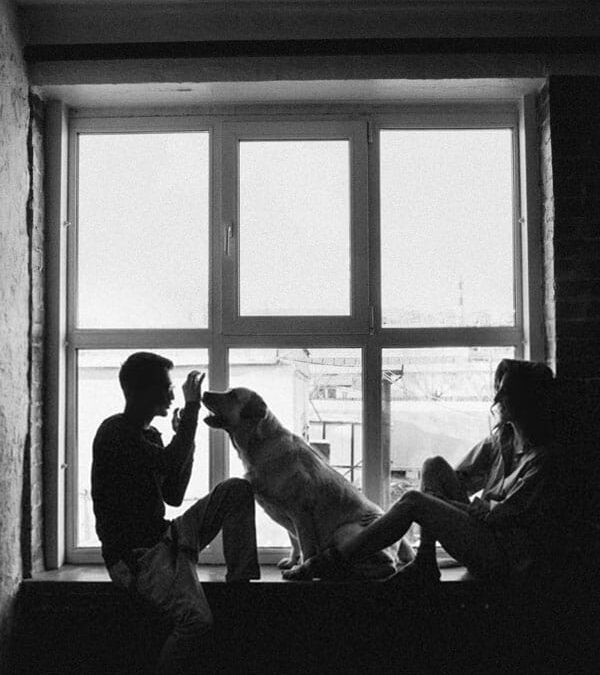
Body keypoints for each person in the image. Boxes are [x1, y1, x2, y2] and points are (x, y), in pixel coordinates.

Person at [302, 359, 560, 586]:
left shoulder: (542, 460)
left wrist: (433, 504)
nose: (497, 398)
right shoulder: (501, 441)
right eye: (498, 390)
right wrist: (438, 503)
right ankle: (426, 559)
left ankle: (331, 561)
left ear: (527, 400)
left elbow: (498, 517)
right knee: (433, 465)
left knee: (414, 502)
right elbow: (457, 481)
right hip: (480, 532)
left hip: (504, 557)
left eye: (506, 392)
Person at [91, 352, 260, 674]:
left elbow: (174, 495)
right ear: (142, 392)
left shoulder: (150, 436)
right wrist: (192, 410)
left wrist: (186, 439)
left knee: (237, 490)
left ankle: (240, 592)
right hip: (138, 558)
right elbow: (169, 463)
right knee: (196, 622)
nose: (172, 395)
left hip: (167, 536)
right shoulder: (115, 432)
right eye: (167, 388)